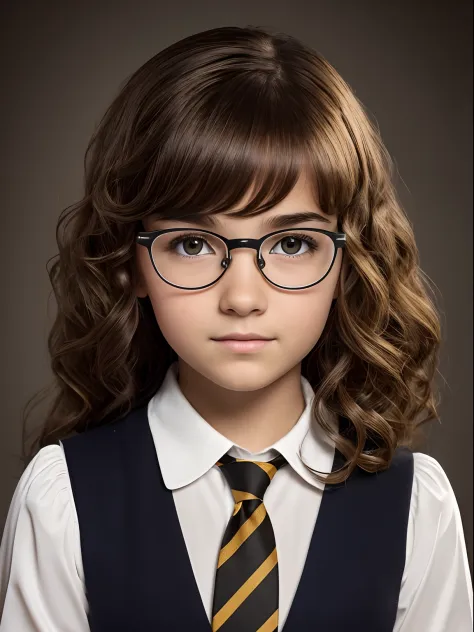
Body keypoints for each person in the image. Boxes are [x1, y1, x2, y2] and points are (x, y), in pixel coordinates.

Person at [0, 25, 472, 632]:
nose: (243, 297)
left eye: (293, 243)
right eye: (194, 243)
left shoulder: (417, 507)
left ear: (348, 260)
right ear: (132, 262)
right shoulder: (62, 498)